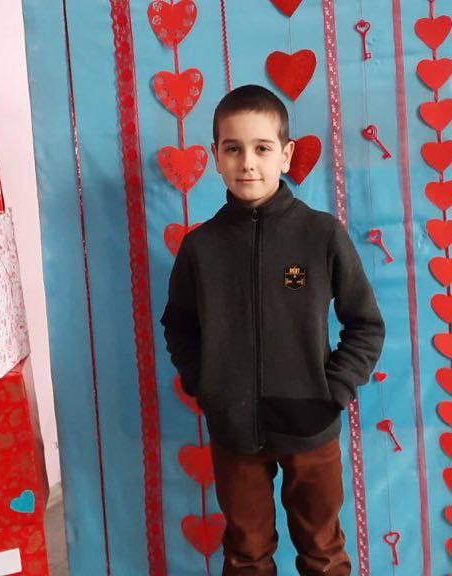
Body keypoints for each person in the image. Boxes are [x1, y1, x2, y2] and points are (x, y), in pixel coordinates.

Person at [160, 84, 385, 576]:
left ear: (285, 155)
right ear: (215, 157)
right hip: (234, 431)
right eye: (233, 149)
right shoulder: (200, 247)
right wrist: (206, 384)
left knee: (323, 553)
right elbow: (178, 326)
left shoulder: (322, 234)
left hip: (312, 426)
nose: (248, 163)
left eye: (262, 148)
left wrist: (333, 390)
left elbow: (366, 324)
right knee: (246, 555)